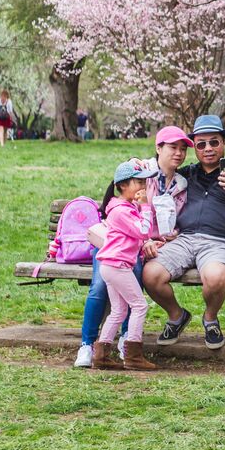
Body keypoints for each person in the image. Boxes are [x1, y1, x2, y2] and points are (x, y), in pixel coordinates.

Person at [73, 126, 192, 368]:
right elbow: (137, 223)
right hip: (116, 249)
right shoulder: (139, 171)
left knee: (123, 304)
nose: (178, 153)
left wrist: (163, 238)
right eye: (172, 147)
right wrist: (146, 225)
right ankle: (95, 346)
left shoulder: (181, 185)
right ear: (158, 148)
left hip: (131, 249)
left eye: (182, 149)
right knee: (114, 294)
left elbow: (168, 224)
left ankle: (108, 351)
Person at [141, 114, 225, 351]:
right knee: (150, 274)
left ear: (223, 143)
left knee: (214, 279)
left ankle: (210, 318)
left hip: (218, 242)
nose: (208, 149)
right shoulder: (185, 175)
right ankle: (176, 315)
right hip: (183, 239)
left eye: (214, 142)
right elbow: (157, 171)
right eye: (201, 144)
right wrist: (137, 162)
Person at [90, 161, 160, 371]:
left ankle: (100, 356)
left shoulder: (124, 208)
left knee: (119, 311)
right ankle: (133, 356)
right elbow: (143, 231)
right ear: (122, 186)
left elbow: (133, 238)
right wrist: (146, 206)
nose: (142, 186)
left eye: (144, 182)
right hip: (117, 266)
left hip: (112, 265)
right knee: (139, 306)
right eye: (137, 182)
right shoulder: (122, 211)